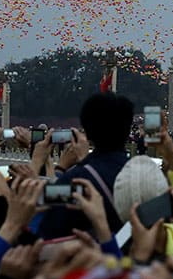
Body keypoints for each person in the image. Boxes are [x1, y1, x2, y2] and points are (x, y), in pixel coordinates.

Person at [37, 92, 134, 238]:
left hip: (89, 257)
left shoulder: (73, 181)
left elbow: (45, 232)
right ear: (128, 129)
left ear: (86, 131)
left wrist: (57, 167)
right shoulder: (146, 175)